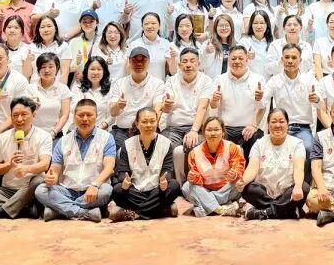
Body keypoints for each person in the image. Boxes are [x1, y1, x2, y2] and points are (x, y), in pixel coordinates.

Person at [0, 97, 52, 221]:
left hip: (29, 190)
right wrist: (9, 165)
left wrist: (26, 169)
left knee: (39, 180)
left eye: (24, 114)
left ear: (33, 115)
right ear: (10, 116)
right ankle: (24, 209)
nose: (19, 119)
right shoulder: (2, 138)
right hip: (7, 190)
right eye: (15, 115)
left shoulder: (44, 136)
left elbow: (44, 164)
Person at [36, 98, 116, 222]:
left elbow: (109, 168)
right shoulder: (63, 141)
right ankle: (84, 212)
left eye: (89, 115)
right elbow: (54, 171)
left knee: (106, 190)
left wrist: (95, 185)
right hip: (67, 190)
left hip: (93, 189)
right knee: (40, 190)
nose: (85, 119)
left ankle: (59, 210)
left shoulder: (107, 138)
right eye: (81, 115)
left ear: (96, 116)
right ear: (74, 117)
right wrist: (51, 178)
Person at [111, 107, 180, 221]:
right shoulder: (127, 144)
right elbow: (123, 171)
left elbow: (167, 170)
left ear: (157, 122)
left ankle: (135, 214)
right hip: (136, 189)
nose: (149, 125)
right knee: (117, 190)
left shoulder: (166, 143)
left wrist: (164, 181)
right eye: (144, 122)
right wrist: (125, 181)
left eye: (152, 121)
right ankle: (163, 209)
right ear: (137, 124)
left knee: (174, 186)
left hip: (157, 189)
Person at [240, 108, 308, 220]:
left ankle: (265, 212)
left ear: (287, 124)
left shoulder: (297, 144)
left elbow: (299, 168)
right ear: (268, 124)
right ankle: (286, 210)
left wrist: (297, 187)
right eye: (273, 122)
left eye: (281, 122)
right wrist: (242, 182)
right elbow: (252, 168)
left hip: (287, 192)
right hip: (265, 193)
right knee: (247, 188)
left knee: (304, 187)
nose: (277, 125)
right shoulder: (259, 144)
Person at [159, 48, 212, 184]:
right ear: (179, 65)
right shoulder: (171, 81)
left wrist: (194, 130)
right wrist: (167, 105)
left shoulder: (206, 80)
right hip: (173, 127)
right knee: (164, 146)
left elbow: (202, 107)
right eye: (185, 61)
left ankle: (192, 184)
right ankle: (168, 184)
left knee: (192, 146)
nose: (188, 65)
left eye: (192, 61)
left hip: (196, 127)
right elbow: (165, 106)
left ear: (198, 64)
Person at [182, 116, 246, 217]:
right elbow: (198, 180)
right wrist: (193, 178)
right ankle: (221, 209)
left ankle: (205, 206)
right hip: (205, 189)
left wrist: (235, 175)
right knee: (186, 186)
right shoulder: (194, 153)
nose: (213, 133)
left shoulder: (232, 147)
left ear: (223, 132)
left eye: (216, 129)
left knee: (239, 184)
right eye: (209, 130)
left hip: (227, 189)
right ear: (203, 133)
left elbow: (239, 169)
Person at [262, 43, 319, 157]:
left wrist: (317, 99)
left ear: (300, 60)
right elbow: (262, 102)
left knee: (308, 149)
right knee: (272, 152)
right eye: (287, 57)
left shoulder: (309, 80)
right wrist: (259, 98)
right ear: (282, 60)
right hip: (280, 127)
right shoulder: (274, 80)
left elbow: (321, 104)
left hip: (303, 128)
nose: (290, 61)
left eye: (294, 58)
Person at [210, 45, 265, 159]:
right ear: (229, 60)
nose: (237, 61)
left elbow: (262, 107)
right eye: (233, 58)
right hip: (226, 128)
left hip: (249, 128)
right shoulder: (220, 79)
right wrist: (214, 100)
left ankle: (250, 171)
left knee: (255, 139)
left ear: (247, 59)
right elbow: (213, 106)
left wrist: (253, 126)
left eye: (240, 58)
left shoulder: (258, 79)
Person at [110, 47, 166, 145]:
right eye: (135, 60)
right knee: (117, 149)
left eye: (143, 60)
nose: (139, 64)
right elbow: (113, 112)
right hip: (123, 130)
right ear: (129, 61)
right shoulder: (119, 83)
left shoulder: (158, 83)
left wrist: (143, 125)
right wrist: (118, 105)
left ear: (149, 62)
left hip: (146, 129)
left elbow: (157, 109)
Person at [29, 52, 72, 139]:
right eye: (43, 67)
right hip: (33, 135)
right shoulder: (30, 88)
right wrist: (31, 107)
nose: (47, 70)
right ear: (38, 69)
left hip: (55, 135)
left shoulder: (63, 89)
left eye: (51, 66)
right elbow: (25, 113)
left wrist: (53, 132)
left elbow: (65, 115)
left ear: (57, 68)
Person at [126, 12, 177, 82]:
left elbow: (173, 72)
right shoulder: (134, 44)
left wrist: (173, 59)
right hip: (139, 86)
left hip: (160, 86)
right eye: (146, 24)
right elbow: (128, 71)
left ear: (159, 26)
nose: (150, 26)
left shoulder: (166, 43)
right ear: (142, 26)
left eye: (153, 23)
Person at [72, 57, 116, 131]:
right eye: (92, 69)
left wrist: (101, 127)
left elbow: (112, 115)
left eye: (99, 69)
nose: (95, 72)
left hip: (101, 130)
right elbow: (73, 109)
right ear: (86, 71)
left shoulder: (111, 89)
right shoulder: (77, 88)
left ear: (104, 72)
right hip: (79, 130)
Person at [26, 15, 70, 82]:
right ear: (38, 30)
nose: (46, 30)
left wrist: (62, 88)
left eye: (49, 26)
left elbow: (65, 73)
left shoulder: (63, 46)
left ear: (55, 28)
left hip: (56, 86)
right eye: (42, 27)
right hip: (35, 85)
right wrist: (28, 61)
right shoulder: (31, 47)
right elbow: (27, 74)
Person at [66, 10, 101, 84]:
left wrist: (86, 74)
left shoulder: (102, 42)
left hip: (97, 84)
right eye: (84, 22)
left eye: (91, 21)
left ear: (97, 23)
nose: (87, 24)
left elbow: (105, 65)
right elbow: (67, 69)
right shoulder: (74, 42)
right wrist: (77, 62)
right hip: (78, 84)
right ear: (80, 24)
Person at [240, 9, 275, 79]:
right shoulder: (244, 42)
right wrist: (245, 56)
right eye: (255, 23)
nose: (258, 26)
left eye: (262, 23)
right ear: (251, 25)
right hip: (249, 82)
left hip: (268, 82)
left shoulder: (273, 43)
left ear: (267, 25)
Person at [311, 10, 334, 80]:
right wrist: (322, 84)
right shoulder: (319, 42)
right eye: (331, 22)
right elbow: (318, 67)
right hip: (324, 78)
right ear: (327, 25)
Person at [200, 13, 237, 78]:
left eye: (227, 25)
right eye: (221, 25)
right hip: (212, 82)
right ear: (215, 28)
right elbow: (201, 65)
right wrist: (206, 52)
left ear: (231, 28)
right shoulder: (208, 43)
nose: (224, 28)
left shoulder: (236, 46)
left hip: (229, 82)